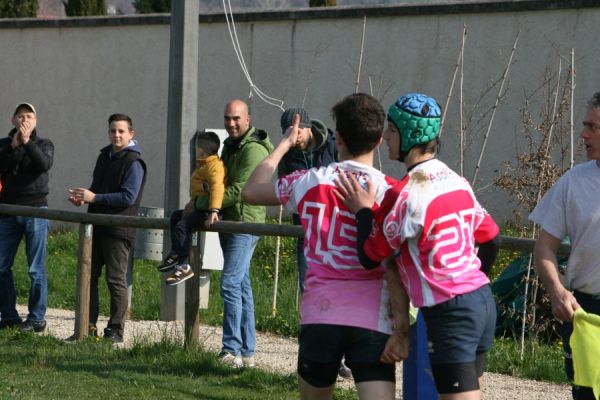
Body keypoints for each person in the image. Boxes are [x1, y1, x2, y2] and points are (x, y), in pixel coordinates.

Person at [243, 93, 409, 400]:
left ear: (339, 138)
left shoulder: (308, 181)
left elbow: (251, 191)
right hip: (372, 317)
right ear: (377, 141)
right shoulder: (393, 190)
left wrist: (283, 144)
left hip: (320, 314)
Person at [334, 93, 500, 400]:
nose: (384, 137)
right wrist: (472, 283)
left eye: (392, 131)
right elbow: (491, 239)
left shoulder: (405, 193)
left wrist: (362, 211)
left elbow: (371, 256)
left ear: (410, 135)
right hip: (481, 302)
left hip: (450, 310)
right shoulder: (457, 181)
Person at [529, 91, 600, 400]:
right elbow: (543, 248)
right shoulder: (573, 182)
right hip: (586, 313)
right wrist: (557, 291)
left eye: (593, 127)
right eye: (585, 125)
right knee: (587, 395)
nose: (583, 134)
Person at [194, 99, 273, 368]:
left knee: (229, 283)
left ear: (247, 120)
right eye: (227, 118)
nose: (231, 123)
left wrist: (202, 203)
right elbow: (219, 181)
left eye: (236, 118)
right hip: (230, 221)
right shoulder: (228, 144)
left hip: (245, 223)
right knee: (241, 286)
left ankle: (230, 350)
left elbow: (240, 189)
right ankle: (247, 353)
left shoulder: (253, 150)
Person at [68, 113, 146, 344]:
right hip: (96, 226)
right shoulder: (105, 156)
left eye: (121, 131)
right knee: (88, 277)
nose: (116, 135)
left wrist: (95, 197)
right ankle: (87, 327)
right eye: (113, 130)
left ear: (131, 134)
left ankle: (115, 330)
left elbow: (128, 197)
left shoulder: (134, 162)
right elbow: (96, 191)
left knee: (115, 280)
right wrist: (84, 198)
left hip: (119, 229)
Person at [0, 103, 53, 333]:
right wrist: (13, 146)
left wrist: (27, 141)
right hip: (8, 212)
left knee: (35, 269)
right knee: (1, 266)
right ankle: (9, 316)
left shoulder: (44, 144)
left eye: (29, 116)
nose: (24, 120)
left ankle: (36, 318)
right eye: (20, 116)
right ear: (13, 120)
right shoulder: (4, 144)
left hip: (36, 211)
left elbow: (43, 164)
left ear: (36, 121)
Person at [278, 107, 337, 294]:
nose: (295, 138)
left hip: (334, 229)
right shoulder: (287, 155)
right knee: (307, 286)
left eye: (298, 132)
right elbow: (284, 190)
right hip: (305, 230)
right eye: (290, 134)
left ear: (308, 127)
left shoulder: (332, 145)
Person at [157, 130, 226, 286]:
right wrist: (192, 202)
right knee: (176, 216)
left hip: (210, 211)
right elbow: (202, 188)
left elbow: (217, 188)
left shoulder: (214, 166)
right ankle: (176, 254)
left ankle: (183, 265)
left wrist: (214, 211)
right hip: (200, 207)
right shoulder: (204, 164)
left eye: (196, 148)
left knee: (182, 226)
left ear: (201, 149)